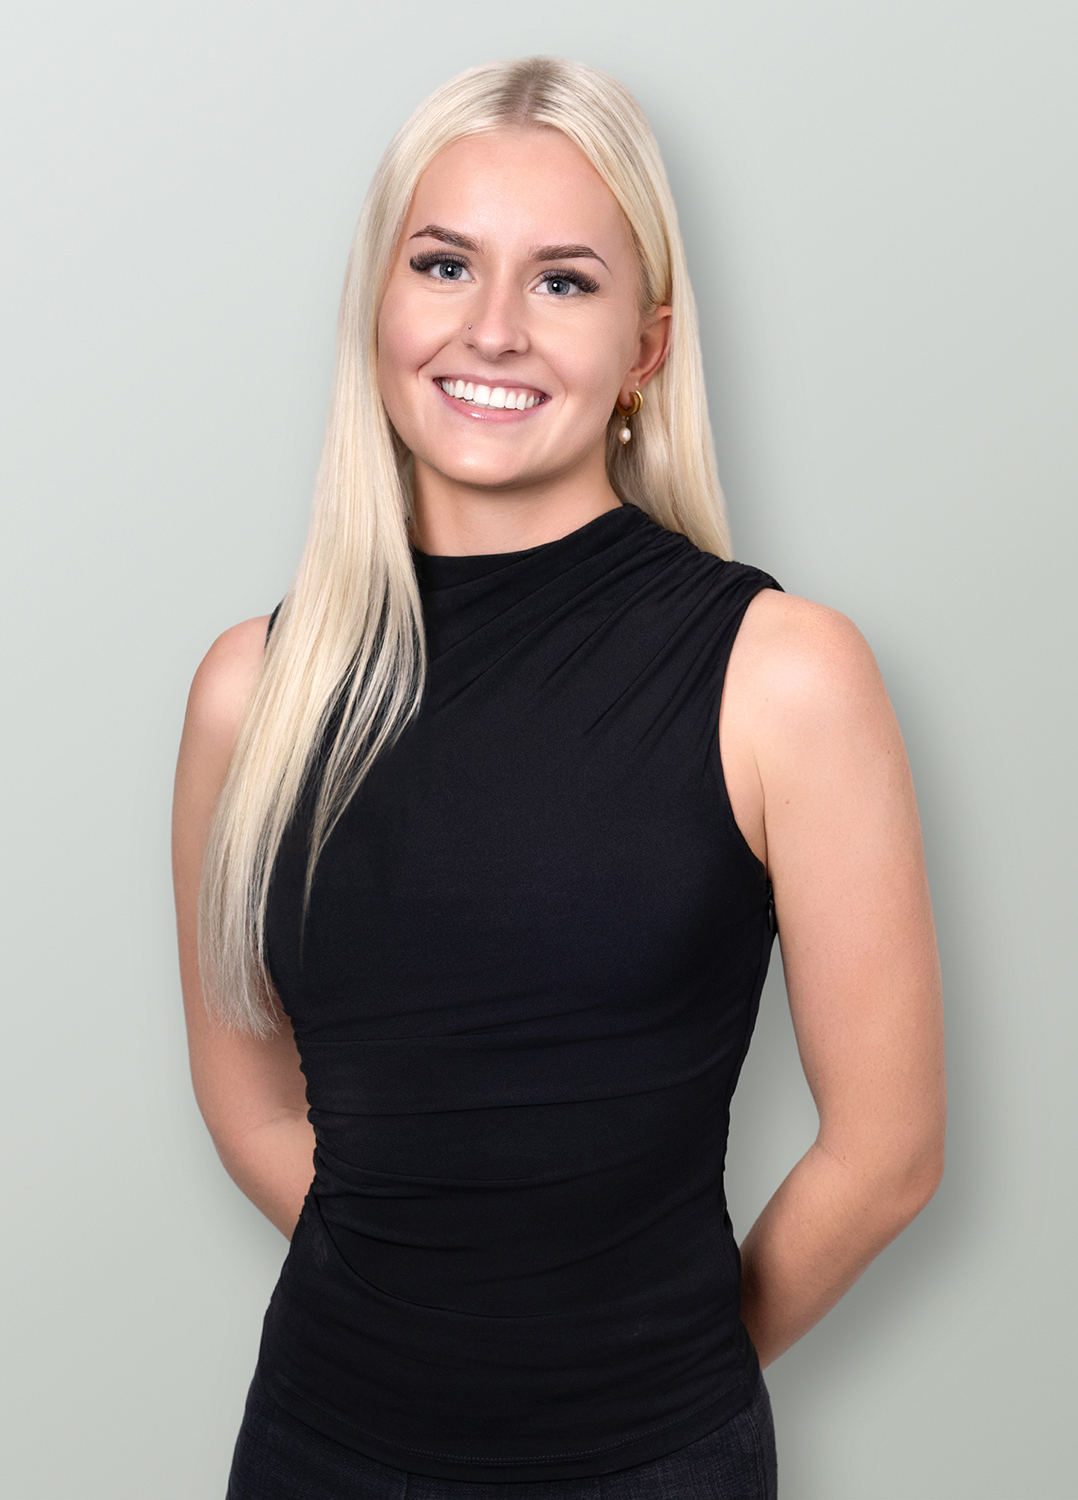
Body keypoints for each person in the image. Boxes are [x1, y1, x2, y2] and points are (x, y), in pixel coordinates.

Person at [171, 56, 945, 1500]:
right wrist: (439, 1333)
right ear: (378, 302)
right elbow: (253, 1106)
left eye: (564, 282)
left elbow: (888, 1152)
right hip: (314, 1454)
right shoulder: (251, 691)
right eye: (444, 264)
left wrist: (652, 1374)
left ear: (647, 347)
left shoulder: (782, 675)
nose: (492, 328)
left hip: (652, 1464)